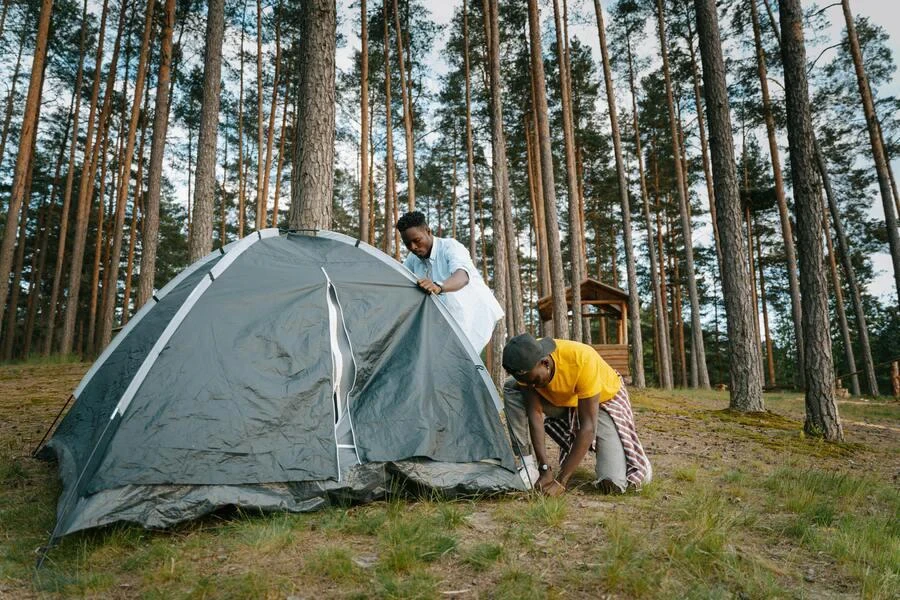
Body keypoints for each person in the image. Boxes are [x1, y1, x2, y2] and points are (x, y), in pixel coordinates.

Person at [501, 333, 652, 496]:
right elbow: (535, 413)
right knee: (512, 387)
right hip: (567, 402)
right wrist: (544, 468)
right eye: (528, 383)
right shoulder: (524, 360)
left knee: (612, 484)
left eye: (535, 381)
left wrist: (561, 481)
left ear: (545, 363)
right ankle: (527, 464)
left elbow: (588, 427)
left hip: (602, 402)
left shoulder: (582, 360)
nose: (532, 386)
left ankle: (635, 457)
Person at [397, 211, 504, 353]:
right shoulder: (413, 259)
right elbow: (400, 282)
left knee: (464, 364)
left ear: (428, 231)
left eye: (417, 240)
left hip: (474, 318)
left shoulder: (451, 247)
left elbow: (462, 277)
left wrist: (438, 286)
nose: (413, 247)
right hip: (447, 322)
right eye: (407, 244)